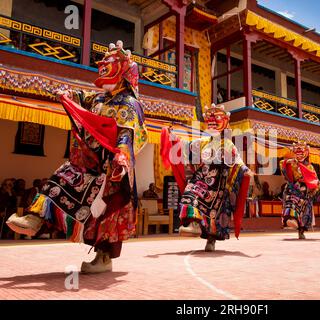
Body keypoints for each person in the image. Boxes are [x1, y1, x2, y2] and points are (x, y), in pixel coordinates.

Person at [7, 40, 148, 273]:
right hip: (86, 161)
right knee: (60, 178)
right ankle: (36, 218)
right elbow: (81, 98)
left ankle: (104, 257)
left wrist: (121, 159)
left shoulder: (130, 104)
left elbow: (127, 135)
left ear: (123, 70)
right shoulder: (99, 99)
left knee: (106, 213)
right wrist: (66, 94)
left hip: (110, 167)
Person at [161, 104, 252, 252]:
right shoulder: (201, 142)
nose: (213, 123)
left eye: (217, 119)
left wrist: (245, 170)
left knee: (214, 215)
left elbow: (238, 161)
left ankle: (211, 239)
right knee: (189, 196)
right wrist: (172, 137)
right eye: (210, 120)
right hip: (200, 179)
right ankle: (193, 225)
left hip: (218, 185)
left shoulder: (228, 144)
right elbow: (184, 147)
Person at [280, 141, 320, 239]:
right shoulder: (291, 162)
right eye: (297, 151)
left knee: (305, 211)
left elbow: (314, 180)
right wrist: (288, 162)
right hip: (293, 188)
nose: (299, 153)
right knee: (291, 202)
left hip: (305, 191)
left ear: (307, 153)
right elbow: (283, 166)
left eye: (302, 151)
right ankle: (290, 219)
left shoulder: (310, 166)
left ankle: (301, 230)